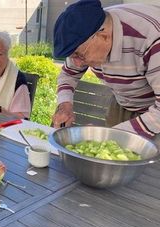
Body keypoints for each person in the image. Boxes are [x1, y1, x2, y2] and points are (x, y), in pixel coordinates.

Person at [52, 0, 160, 141]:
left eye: (79, 55)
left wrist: (107, 137)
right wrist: (65, 106)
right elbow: (68, 73)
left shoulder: (152, 37)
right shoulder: (87, 31)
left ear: (103, 36)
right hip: (123, 102)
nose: (77, 63)